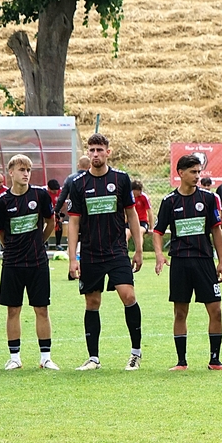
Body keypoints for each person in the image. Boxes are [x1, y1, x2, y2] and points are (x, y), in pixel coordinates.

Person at [67, 133, 145, 371]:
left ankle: (135, 353)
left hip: (117, 250)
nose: (95, 154)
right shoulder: (78, 184)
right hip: (90, 252)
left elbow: (131, 214)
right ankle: (93, 358)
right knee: (92, 302)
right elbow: (73, 222)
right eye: (91, 150)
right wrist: (73, 258)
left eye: (99, 150)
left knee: (128, 296)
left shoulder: (121, 179)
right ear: (87, 153)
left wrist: (138, 249)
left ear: (108, 152)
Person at [153, 154, 222, 371]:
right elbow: (157, 231)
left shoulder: (208, 198)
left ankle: (215, 360)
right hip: (180, 262)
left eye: (199, 172)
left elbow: (216, 230)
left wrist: (221, 261)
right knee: (180, 312)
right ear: (181, 173)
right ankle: (181, 362)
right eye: (193, 172)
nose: (197, 176)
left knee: (216, 310)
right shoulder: (169, 201)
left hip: (204, 261)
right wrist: (159, 254)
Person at [0, 154, 57, 370]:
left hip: (37, 261)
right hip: (12, 263)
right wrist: (12, 248)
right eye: (22, 170)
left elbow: (51, 222)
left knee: (42, 309)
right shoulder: (2, 202)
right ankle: (15, 358)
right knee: (13, 310)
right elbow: (1, 232)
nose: (26, 174)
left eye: (28, 170)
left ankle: (46, 358)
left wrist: (39, 241)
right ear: (10, 173)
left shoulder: (40, 195)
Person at [127, 179, 151, 245]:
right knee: (126, 233)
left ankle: (139, 250)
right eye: (138, 190)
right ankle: (124, 250)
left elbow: (150, 212)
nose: (140, 192)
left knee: (139, 232)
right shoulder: (128, 197)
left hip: (142, 222)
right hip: (131, 221)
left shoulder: (144, 197)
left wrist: (151, 227)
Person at [47, 178, 63, 248]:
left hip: (57, 212)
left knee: (59, 225)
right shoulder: (45, 193)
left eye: (57, 190)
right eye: (54, 191)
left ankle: (58, 244)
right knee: (43, 225)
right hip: (47, 212)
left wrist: (61, 216)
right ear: (49, 189)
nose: (56, 192)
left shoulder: (61, 192)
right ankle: (45, 243)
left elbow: (64, 205)